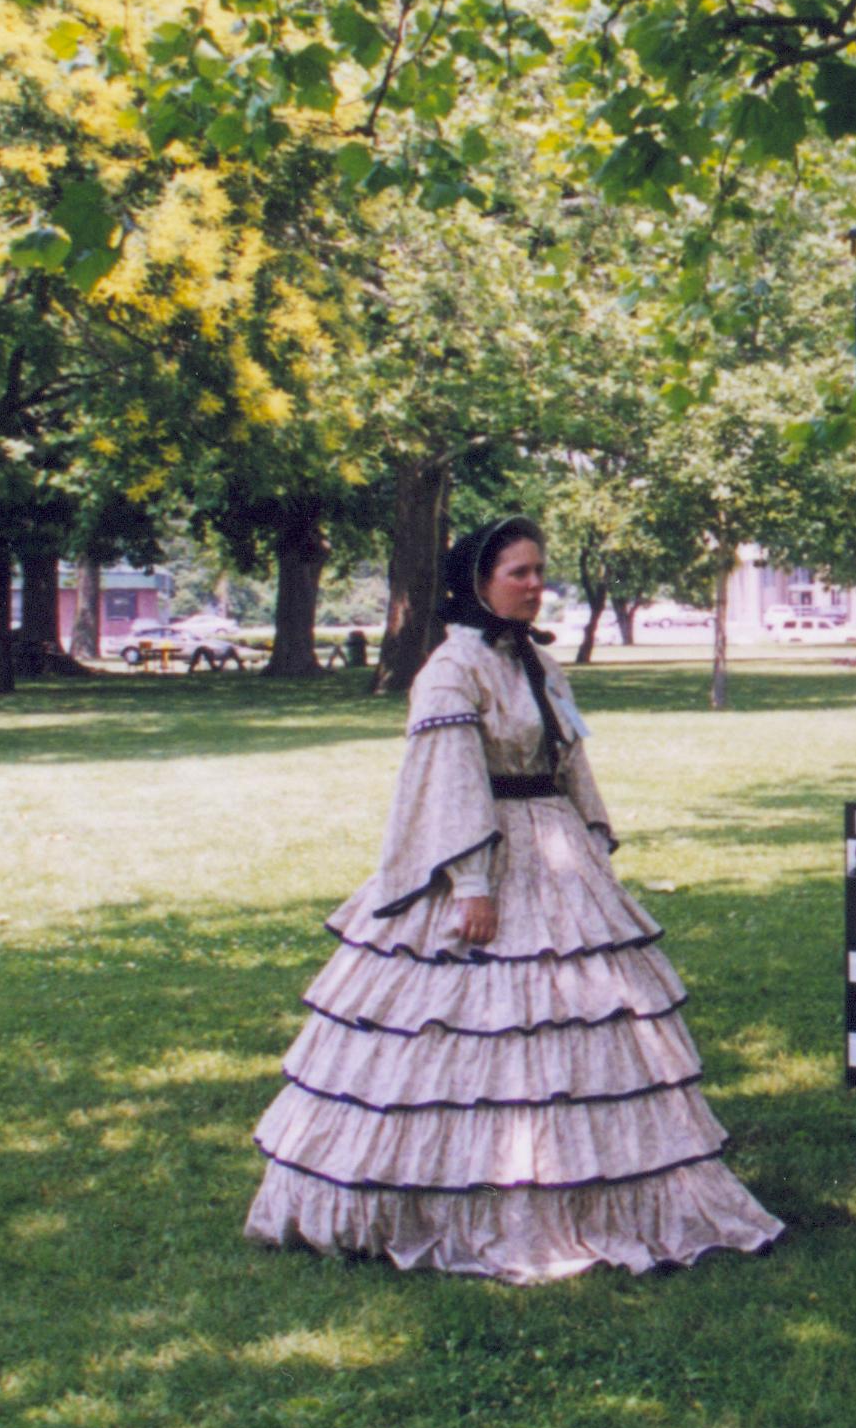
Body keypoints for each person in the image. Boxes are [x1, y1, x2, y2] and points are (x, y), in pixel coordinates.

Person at [245, 516, 783, 1282]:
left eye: (539, 572)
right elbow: (447, 781)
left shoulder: (536, 661)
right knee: (470, 1026)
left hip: (553, 851)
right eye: (518, 574)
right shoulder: (450, 669)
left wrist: (593, 844)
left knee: (580, 1014)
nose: (535, 586)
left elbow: (570, 758)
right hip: (490, 848)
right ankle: (454, 1197)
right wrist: (471, 882)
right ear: (479, 583)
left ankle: (600, 1189)